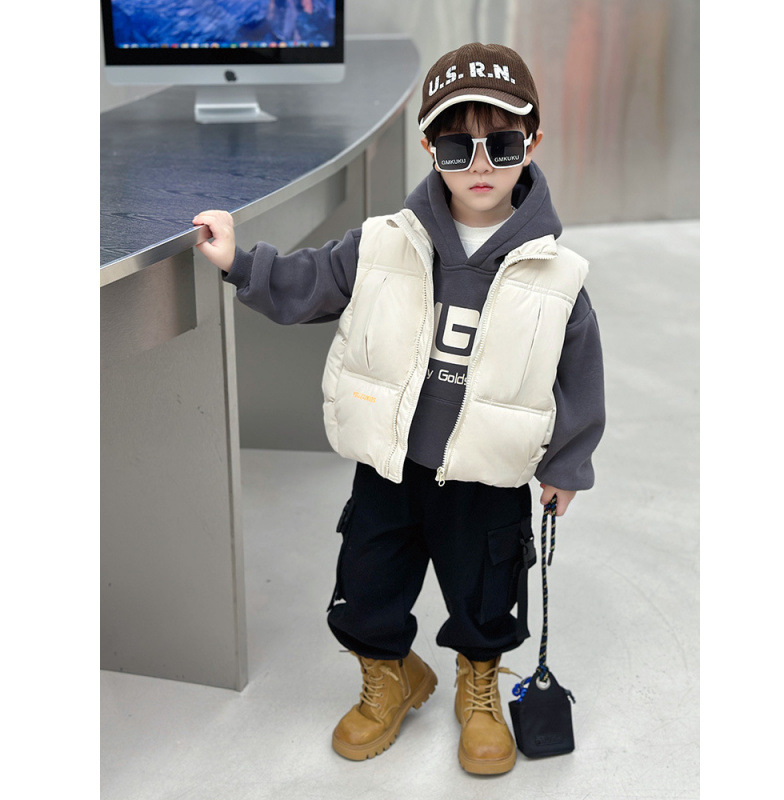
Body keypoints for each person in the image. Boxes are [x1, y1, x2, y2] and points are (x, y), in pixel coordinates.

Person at [193, 42, 604, 776]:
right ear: (429, 148)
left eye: (502, 143)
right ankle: (389, 677)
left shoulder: (558, 274)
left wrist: (566, 463)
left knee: (486, 594)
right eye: (457, 146)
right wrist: (240, 263)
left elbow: (578, 373)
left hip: (487, 476)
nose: (481, 164)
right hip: (391, 463)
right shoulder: (385, 243)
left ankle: (478, 685)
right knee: (367, 583)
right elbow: (313, 280)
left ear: (533, 141)